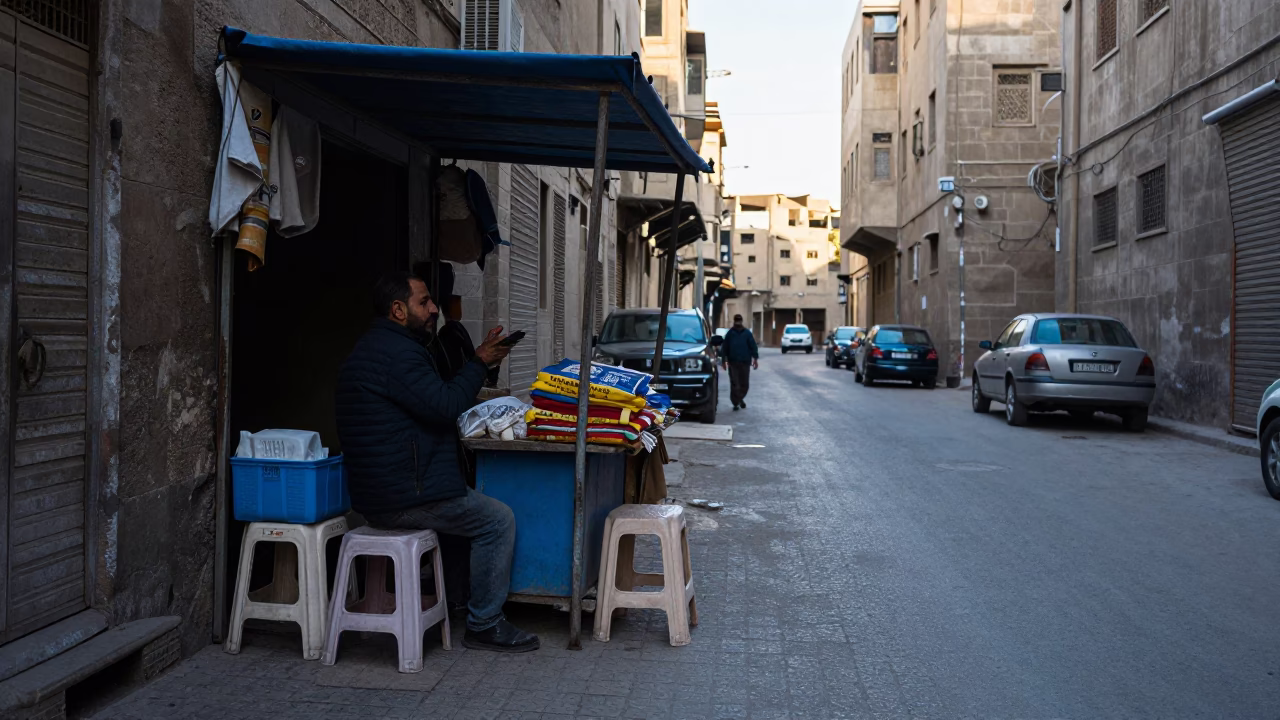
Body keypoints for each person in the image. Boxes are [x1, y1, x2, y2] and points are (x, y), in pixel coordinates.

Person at [335, 271, 539, 653]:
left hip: (381, 492)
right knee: (497, 520)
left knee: (464, 506)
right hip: (402, 497)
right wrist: (478, 362)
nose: (434, 309)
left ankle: (458, 599)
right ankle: (485, 623)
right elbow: (445, 405)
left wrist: (480, 364)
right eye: (424, 302)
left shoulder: (379, 348)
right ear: (398, 310)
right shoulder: (398, 355)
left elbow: (435, 396)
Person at [719, 314, 759, 410]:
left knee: (745, 385)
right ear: (734, 321)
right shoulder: (730, 334)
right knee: (735, 384)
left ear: (741, 321)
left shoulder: (747, 333)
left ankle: (739, 398)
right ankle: (736, 403)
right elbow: (724, 348)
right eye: (736, 321)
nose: (738, 322)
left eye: (739, 321)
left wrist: (755, 359)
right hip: (733, 363)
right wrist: (723, 361)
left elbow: (753, 346)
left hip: (745, 362)